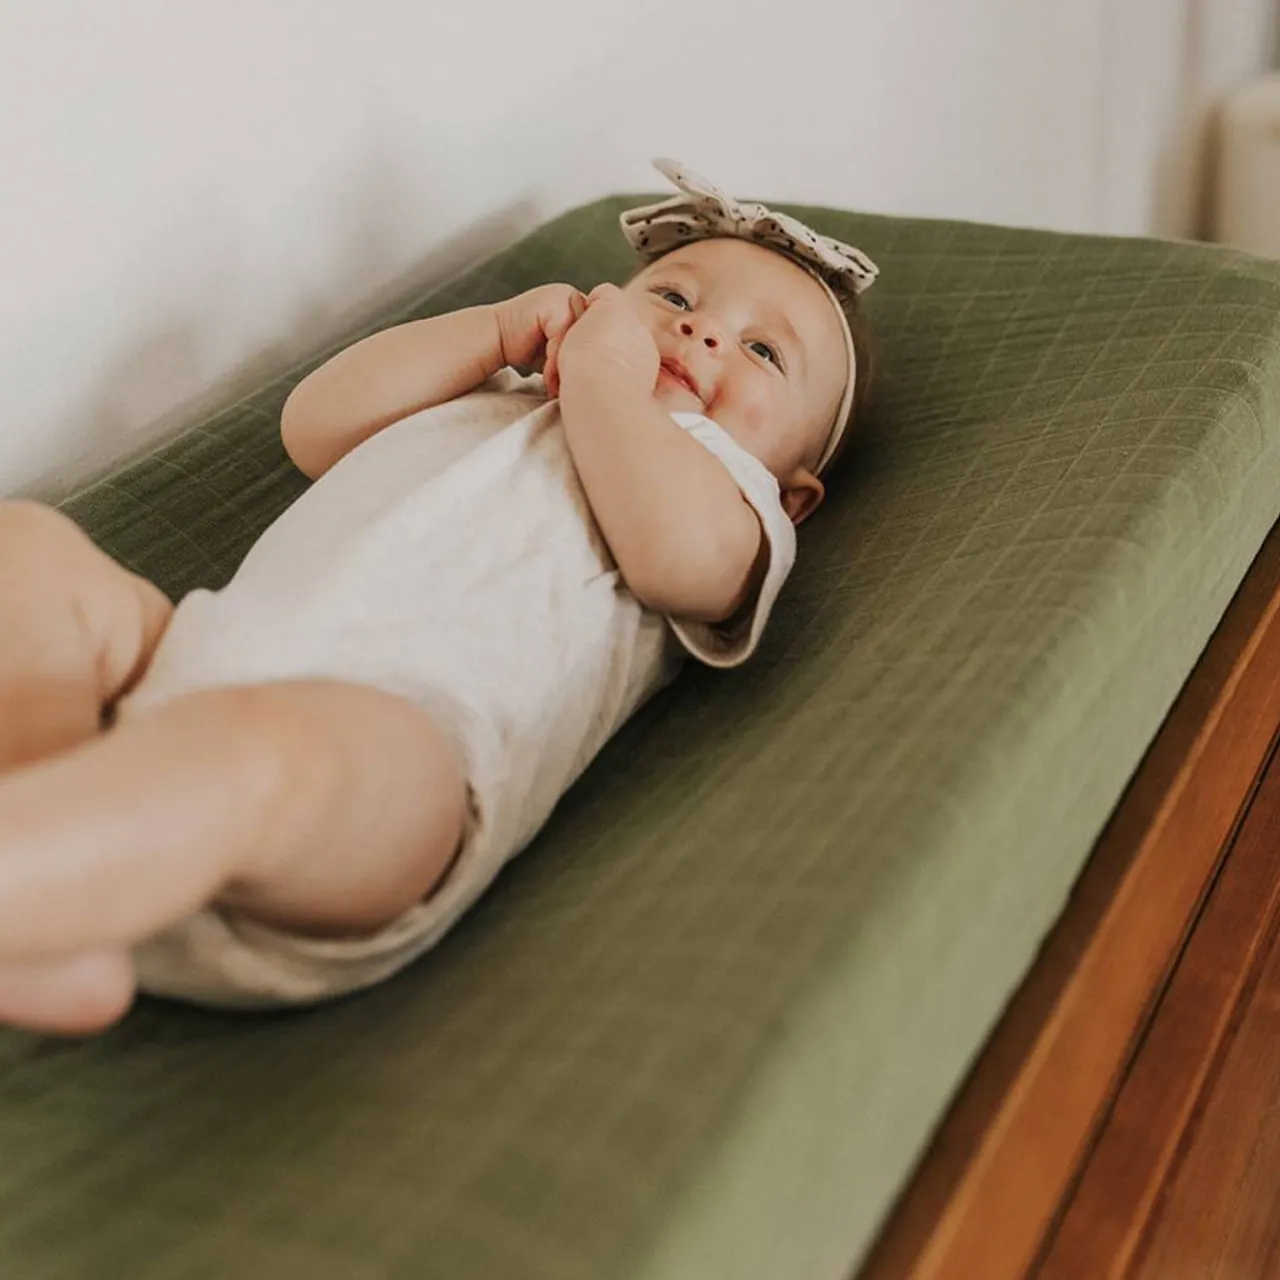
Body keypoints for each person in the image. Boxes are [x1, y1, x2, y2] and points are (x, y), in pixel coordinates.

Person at [0, 160, 877, 1035]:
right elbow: (314, 427)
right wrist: (495, 334)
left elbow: (678, 564)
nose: (702, 331)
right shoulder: (502, 391)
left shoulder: (728, 494)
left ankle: (36, 882)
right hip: (201, 656)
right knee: (27, 548)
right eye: (675, 297)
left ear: (793, 494)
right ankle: (53, 873)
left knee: (255, 752)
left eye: (763, 352)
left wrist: (608, 381)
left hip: (399, 765)